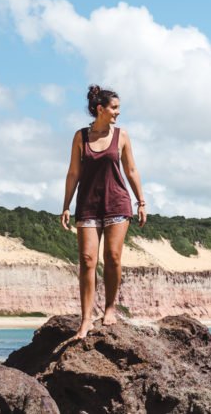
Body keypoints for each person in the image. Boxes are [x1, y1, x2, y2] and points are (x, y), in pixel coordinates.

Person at [61, 85, 146, 339]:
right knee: (87, 260)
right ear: (101, 109)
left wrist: (141, 201)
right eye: (114, 108)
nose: (118, 113)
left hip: (117, 202)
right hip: (87, 205)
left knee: (112, 257)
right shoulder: (81, 137)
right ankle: (86, 319)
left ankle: (110, 308)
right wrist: (66, 205)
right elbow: (73, 172)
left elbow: (131, 171)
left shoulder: (121, 136)